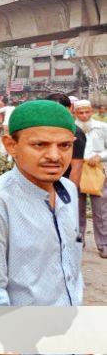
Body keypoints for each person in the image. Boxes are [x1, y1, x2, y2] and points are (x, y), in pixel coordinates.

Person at [0, 100, 82, 305]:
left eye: (65, 145)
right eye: (39, 145)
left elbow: (70, 268)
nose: (55, 156)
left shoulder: (69, 191)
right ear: (11, 146)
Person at [46, 94, 86, 242]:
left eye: (60, 110)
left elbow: (76, 168)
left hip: (61, 186)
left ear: (70, 109)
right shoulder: (40, 130)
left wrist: (69, 197)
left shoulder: (76, 134)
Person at [75, 100, 107, 258]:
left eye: (87, 112)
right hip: (77, 170)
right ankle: (79, 241)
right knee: (77, 209)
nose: (84, 115)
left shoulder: (102, 127)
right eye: (80, 112)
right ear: (75, 113)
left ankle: (103, 244)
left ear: (92, 111)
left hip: (96, 171)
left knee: (100, 210)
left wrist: (99, 156)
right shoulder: (71, 129)